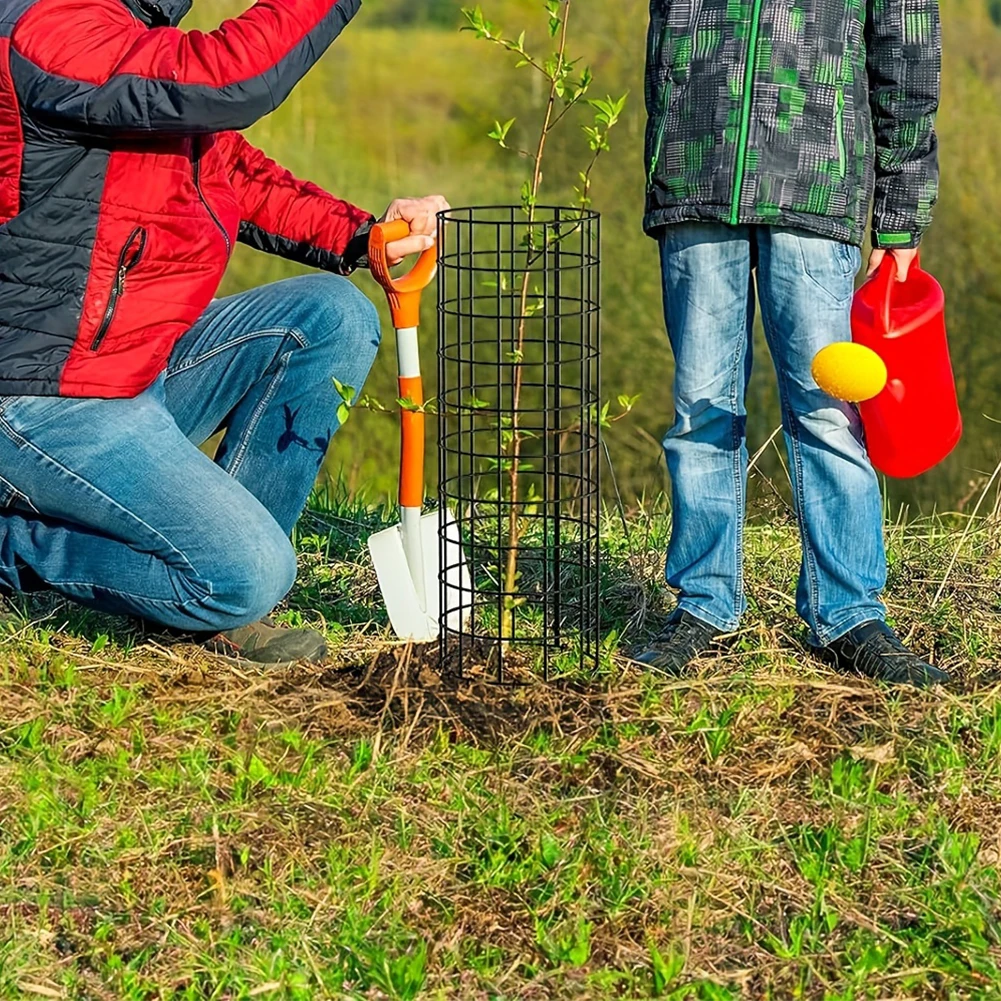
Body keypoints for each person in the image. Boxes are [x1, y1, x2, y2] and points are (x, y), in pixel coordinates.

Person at [0, 0, 447, 663]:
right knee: (247, 573)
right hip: (43, 398)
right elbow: (228, 77)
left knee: (330, 314)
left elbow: (230, 170)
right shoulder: (46, 28)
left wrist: (362, 236)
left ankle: (225, 606)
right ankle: (19, 548)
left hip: (135, 370)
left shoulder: (133, 39)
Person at [636, 0, 947, 686]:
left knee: (828, 411)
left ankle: (848, 612)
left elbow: (909, 48)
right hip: (693, 172)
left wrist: (899, 216)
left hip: (817, 181)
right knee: (699, 409)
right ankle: (703, 604)